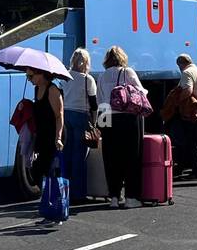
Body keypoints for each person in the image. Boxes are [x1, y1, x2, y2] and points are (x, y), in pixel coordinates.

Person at [100, 45, 144, 208]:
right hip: (129, 118)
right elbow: (141, 93)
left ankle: (114, 197)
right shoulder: (128, 72)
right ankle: (131, 197)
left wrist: (102, 125)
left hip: (109, 118)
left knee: (112, 158)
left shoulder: (102, 76)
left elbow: (101, 100)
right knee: (132, 157)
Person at [62, 49, 97, 203]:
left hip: (66, 115)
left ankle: (65, 191)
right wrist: (94, 123)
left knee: (66, 154)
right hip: (81, 116)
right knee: (79, 156)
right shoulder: (87, 80)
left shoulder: (65, 77)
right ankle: (79, 194)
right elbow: (94, 104)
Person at [27, 67, 65, 196]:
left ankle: (52, 199)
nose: (29, 80)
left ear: (41, 74)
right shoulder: (37, 89)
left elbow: (59, 116)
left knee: (49, 168)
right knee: (37, 169)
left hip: (53, 135)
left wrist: (58, 138)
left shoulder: (53, 90)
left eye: (30, 76)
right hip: (42, 135)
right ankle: (46, 197)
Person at [176, 54, 197, 179]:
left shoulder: (187, 73)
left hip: (193, 113)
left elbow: (188, 90)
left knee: (193, 143)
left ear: (181, 64)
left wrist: (177, 101)